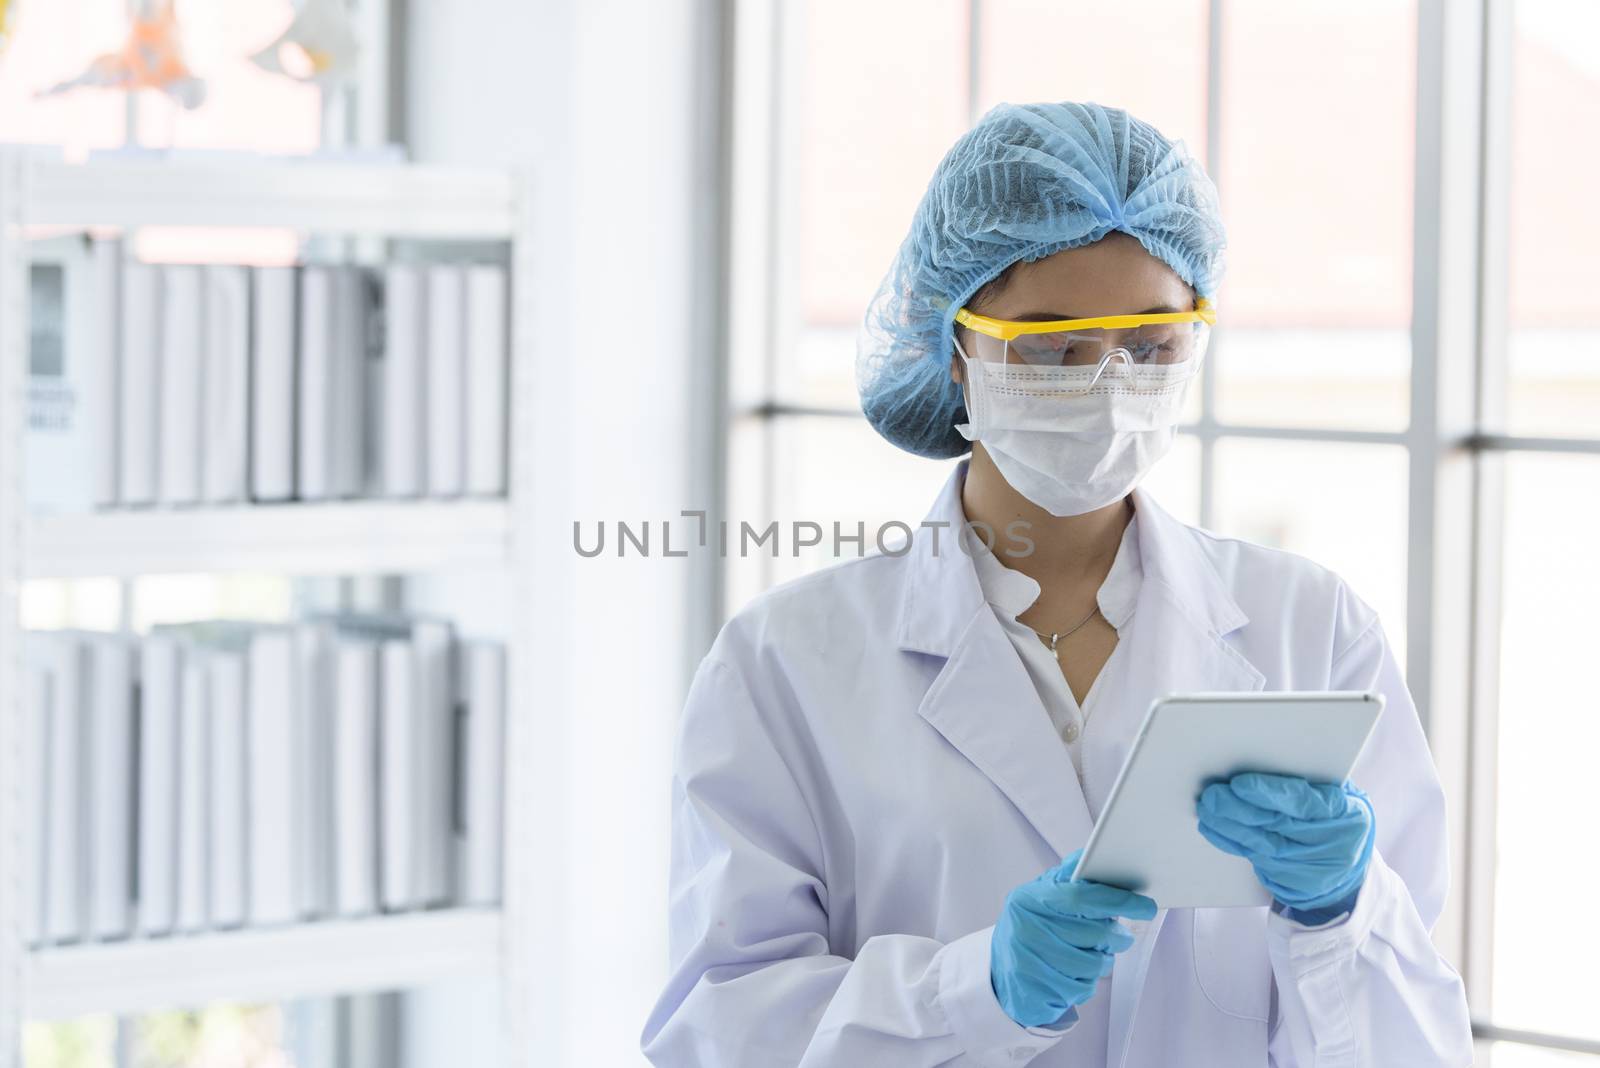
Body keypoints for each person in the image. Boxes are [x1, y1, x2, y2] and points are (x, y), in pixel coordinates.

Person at [641, 101, 1472, 1066]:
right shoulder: (785, 664)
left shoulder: (1313, 629)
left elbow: (1419, 1047)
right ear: (955, 346)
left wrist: (1343, 914)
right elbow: (718, 1030)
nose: (1110, 384)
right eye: (1051, 345)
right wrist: (974, 992)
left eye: (1152, 345)